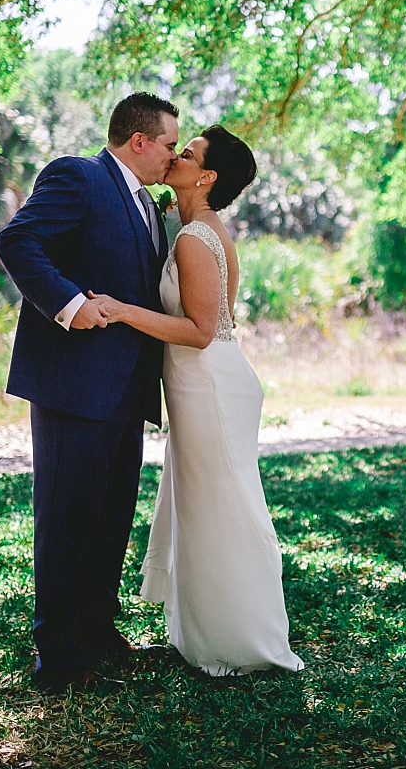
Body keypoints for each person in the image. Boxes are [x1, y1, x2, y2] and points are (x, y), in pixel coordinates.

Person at [89, 125, 305, 676]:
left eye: (185, 154)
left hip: (208, 382)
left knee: (223, 506)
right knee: (204, 504)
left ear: (205, 177)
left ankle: (239, 641)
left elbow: (202, 330)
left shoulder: (194, 237)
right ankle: (203, 632)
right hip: (200, 383)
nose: (174, 156)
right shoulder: (190, 227)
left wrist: (121, 310)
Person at [0, 92, 179, 692]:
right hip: (73, 385)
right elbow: (17, 243)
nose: (174, 155)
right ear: (139, 141)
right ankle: (60, 662)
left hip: (128, 390)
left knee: (109, 520)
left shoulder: (151, 208)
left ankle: (99, 633)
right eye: (170, 144)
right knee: (66, 521)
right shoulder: (78, 176)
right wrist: (69, 306)